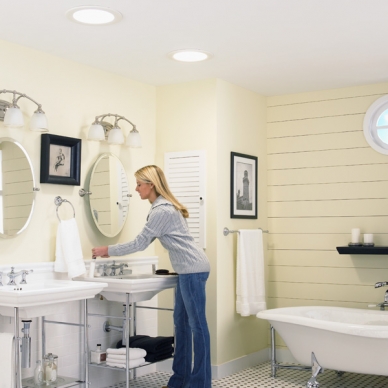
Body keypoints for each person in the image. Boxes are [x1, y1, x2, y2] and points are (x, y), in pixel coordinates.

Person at [92, 165, 211, 388]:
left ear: (151, 185)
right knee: (182, 325)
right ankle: (180, 381)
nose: (136, 189)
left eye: (139, 184)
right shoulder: (163, 208)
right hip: (188, 270)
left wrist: (106, 250)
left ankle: (200, 384)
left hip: (193, 270)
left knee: (197, 327)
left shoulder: (162, 211)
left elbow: (140, 242)